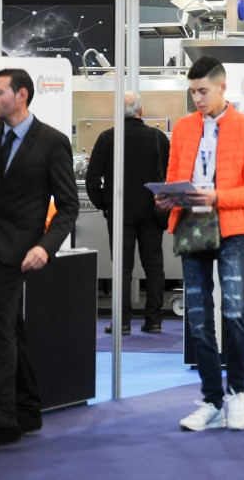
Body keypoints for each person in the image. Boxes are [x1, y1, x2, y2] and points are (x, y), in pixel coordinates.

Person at [155, 57, 244, 432]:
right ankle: (212, 401)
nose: (197, 98)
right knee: (199, 317)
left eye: (203, 91)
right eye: (193, 92)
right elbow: (174, 175)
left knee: (233, 312)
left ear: (222, 87)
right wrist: (167, 197)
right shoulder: (184, 128)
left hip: (231, 227)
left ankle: (237, 393)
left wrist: (216, 197)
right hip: (191, 226)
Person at [0, 67, 80, 450]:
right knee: (9, 326)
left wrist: (45, 246)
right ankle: (27, 408)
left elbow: (68, 206)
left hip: (20, 251)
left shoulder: (52, 142)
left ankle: (2, 421)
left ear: (21, 95)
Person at [85, 92, 172, 336]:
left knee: (122, 267)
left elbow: (92, 180)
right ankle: (154, 320)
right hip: (153, 212)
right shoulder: (158, 138)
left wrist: (105, 204)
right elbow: (171, 173)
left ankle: (122, 322)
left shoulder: (107, 138)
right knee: (154, 266)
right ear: (141, 112)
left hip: (120, 212)